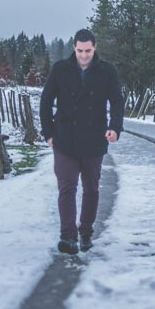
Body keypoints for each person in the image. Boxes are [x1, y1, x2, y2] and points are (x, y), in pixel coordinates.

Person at [40, 28, 124, 256]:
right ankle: (67, 237)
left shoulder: (107, 71)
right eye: (80, 51)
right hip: (64, 138)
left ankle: (85, 231)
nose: (84, 55)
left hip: (94, 138)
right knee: (66, 187)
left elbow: (117, 101)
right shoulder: (61, 70)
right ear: (74, 49)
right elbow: (45, 102)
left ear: (94, 48)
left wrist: (115, 128)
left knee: (91, 188)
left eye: (88, 51)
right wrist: (48, 134)